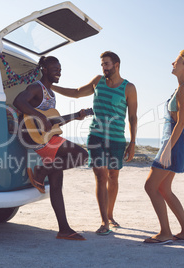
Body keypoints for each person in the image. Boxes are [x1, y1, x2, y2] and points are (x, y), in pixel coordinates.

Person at [51, 51, 138, 235]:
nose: (103, 68)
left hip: (116, 139)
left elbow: (132, 117)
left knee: (113, 176)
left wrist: (132, 143)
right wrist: (51, 86)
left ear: (116, 64)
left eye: (106, 64)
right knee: (100, 175)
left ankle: (110, 215)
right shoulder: (98, 81)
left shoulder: (128, 88)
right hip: (96, 136)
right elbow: (76, 93)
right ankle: (104, 221)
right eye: (102, 65)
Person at [13, 56, 88, 241]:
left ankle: (64, 229)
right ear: (44, 69)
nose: (59, 72)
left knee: (56, 185)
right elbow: (18, 101)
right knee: (82, 155)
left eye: (60, 69)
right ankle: (40, 171)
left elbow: (52, 121)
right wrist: (40, 116)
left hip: (47, 137)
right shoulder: (36, 87)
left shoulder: (51, 94)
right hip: (35, 137)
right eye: (55, 69)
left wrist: (76, 116)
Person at [144, 50, 184, 244]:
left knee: (151, 186)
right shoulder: (181, 87)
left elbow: (180, 123)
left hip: (174, 144)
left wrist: (168, 148)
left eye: (176, 61)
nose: (172, 63)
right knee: (163, 189)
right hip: (171, 143)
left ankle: (165, 233)